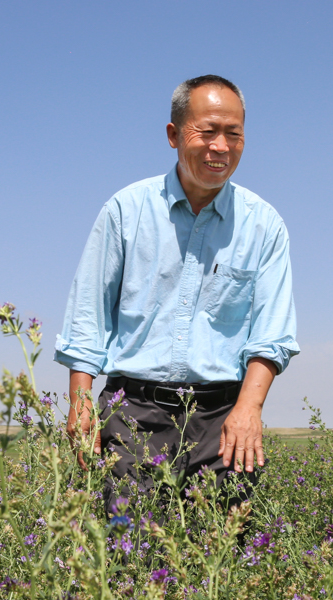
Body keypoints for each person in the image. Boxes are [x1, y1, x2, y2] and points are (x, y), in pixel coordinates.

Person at [54, 74, 299, 514]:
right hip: (132, 416)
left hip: (224, 419)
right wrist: (82, 404)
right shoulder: (125, 211)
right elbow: (88, 317)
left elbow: (272, 332)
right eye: (207, 132)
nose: (220, 146)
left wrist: (249, 410)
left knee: (221, 565)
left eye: (233, 134)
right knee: (124, 560)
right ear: (173, 135)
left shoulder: (264, 225)